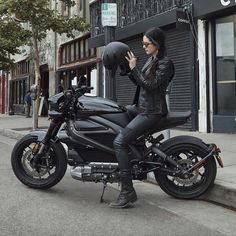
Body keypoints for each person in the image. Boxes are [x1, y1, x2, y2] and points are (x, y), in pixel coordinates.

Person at [109, 27, 175, 208]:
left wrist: (135, 69)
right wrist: (129, 70)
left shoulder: (165, 63)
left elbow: (151, 86)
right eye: (143, 44)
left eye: (146, 44)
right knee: (115, 113)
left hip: (151, 111)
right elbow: (141, 85)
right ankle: (134, 155)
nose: (144, 46)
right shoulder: (151, 60)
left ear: (157, 44)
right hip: (141, 108)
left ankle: (127, 191)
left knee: (119, 142)